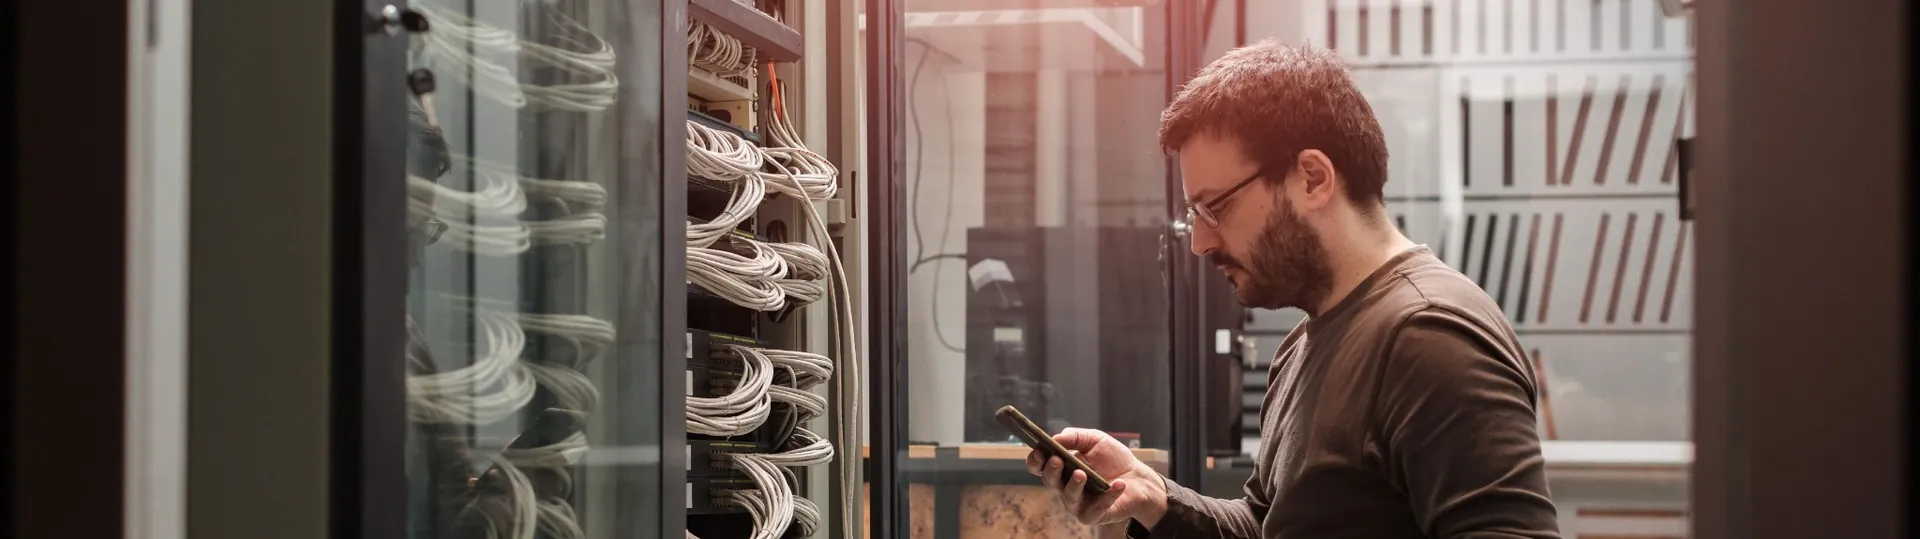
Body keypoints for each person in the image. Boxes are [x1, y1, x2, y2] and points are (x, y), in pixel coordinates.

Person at [1023, 41, 1561, 538]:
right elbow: (1266, 524)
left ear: (1312, 178)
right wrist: (1154, 495)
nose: (1201, 243)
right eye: (1195, 215)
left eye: (1217, 207)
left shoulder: (1432, 337)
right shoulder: (1303, 345)